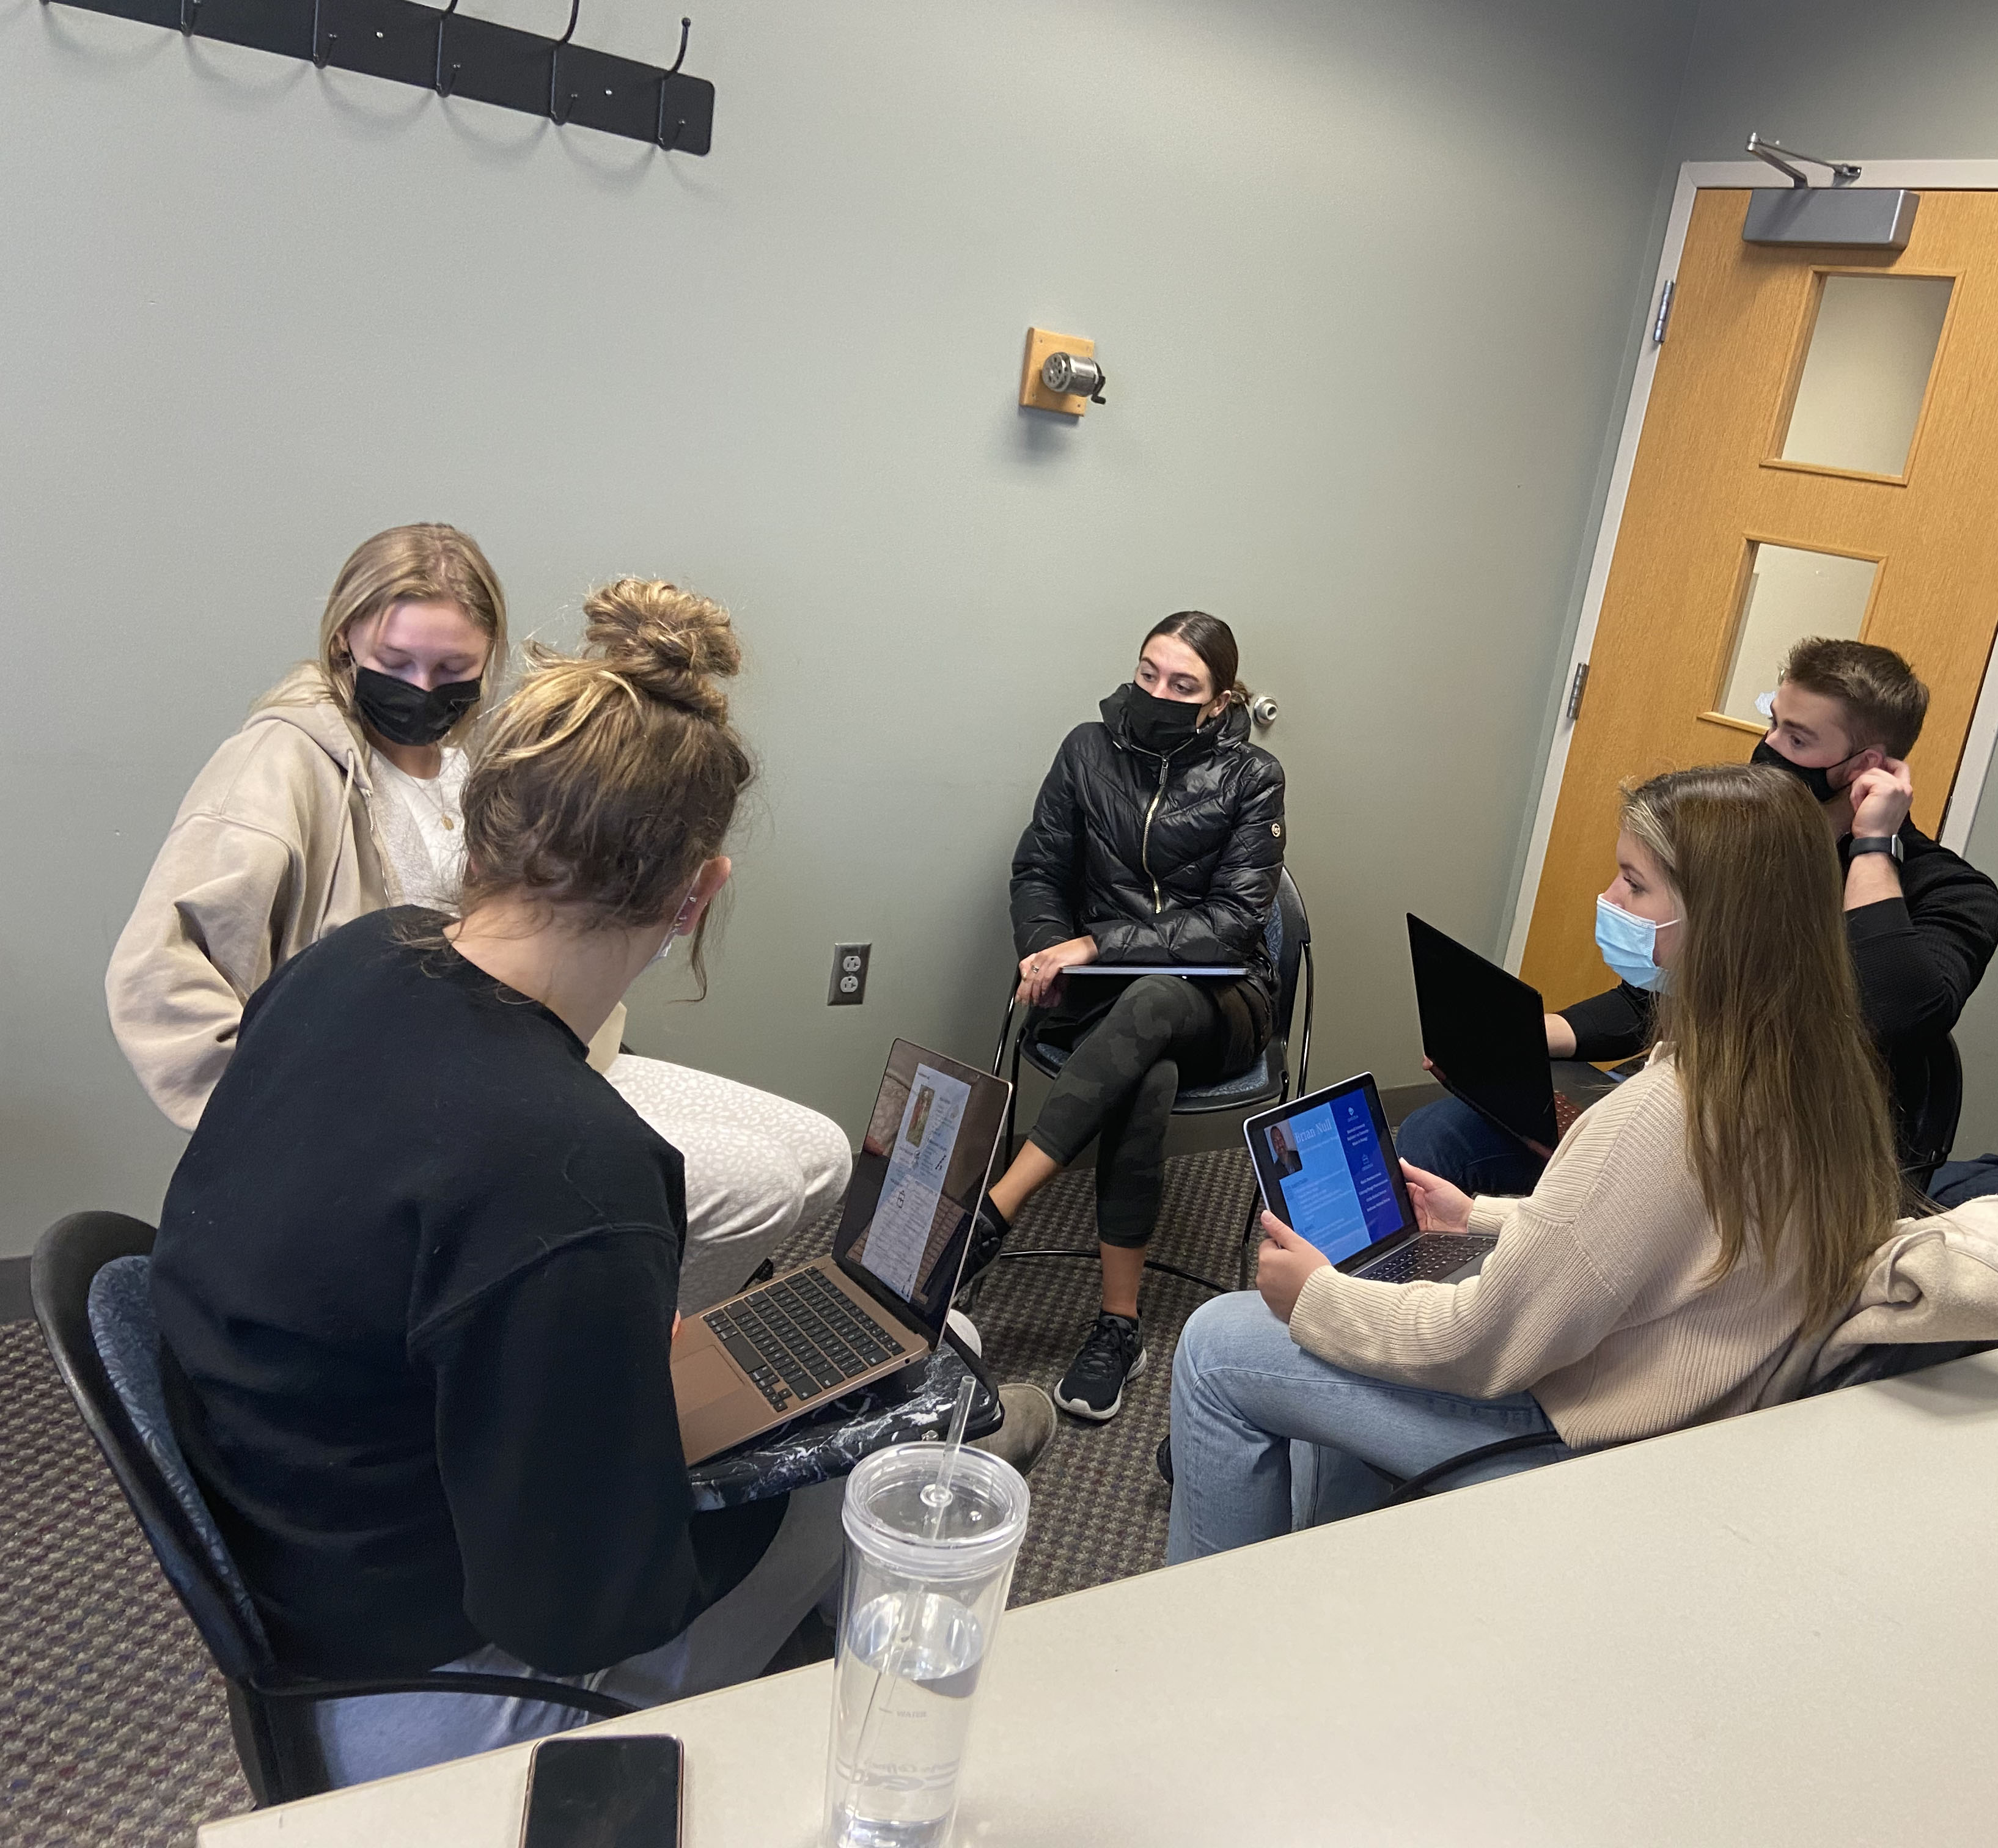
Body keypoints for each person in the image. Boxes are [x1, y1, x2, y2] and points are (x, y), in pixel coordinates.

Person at [149, 580, 841, 1785]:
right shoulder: (575, 1175)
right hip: (420, 1685)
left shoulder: (351, 965)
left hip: (295, 1539)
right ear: (700, 892)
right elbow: (587, 1615)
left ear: (483, 827)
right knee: (872, 1475)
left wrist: (595, 1369)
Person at [1164, 761, 1910, 1560]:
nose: (1611, 902)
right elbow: (1657, 1231)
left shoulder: (1663, 1112)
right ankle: (1333, 1583)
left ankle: (1203, 1645)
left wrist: (1317, 1297)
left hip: (1586, 1436)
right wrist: (1477, 1215)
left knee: (1218, 1345)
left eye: (1634, 885)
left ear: (1721, 923)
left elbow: (1482, 1342)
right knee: (1353, 1341)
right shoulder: (1818, 1074)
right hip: (1690, 1411)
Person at [106, 525, 848, 1311]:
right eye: (395, 665)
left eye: (452, 670)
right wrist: (291, 1127)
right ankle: (622, 1348)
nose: (423, 689)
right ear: (343, 639)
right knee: (753, 1190)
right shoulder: (280, 767)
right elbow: (159, 976)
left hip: (526, 1053)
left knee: (821, 1155)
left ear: (488, 659)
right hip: (398, 1103)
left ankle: (612, 1324)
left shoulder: (467, 761)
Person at [1398, 637, 1998, 1197]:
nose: (1767, 750)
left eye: (1797, 739)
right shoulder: (1753, 850)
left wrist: (1873, 846)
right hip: (1687, 1101)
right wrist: (1519, 1041)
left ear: (1863, 764)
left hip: (1798, 1162)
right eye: (1773, 722)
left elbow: (1895, 1008)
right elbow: (1658, 995)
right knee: (1442, 1133)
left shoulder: (1953, 893)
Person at [978, 611, 1286, 1423]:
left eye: (1182, 685)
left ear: (1218, 703)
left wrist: (1096, 944)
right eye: (1149, 673)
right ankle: (1120, 1325)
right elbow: (1038, 869)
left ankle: (995, 1210)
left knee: (1156, 1002)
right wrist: (1048, 949)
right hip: (1109, 1001)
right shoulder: (1087, 750)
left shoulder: (1252, 776)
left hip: (1221, 998)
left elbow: (1232, 927)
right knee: (1145, 1076)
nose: (1157, 693)